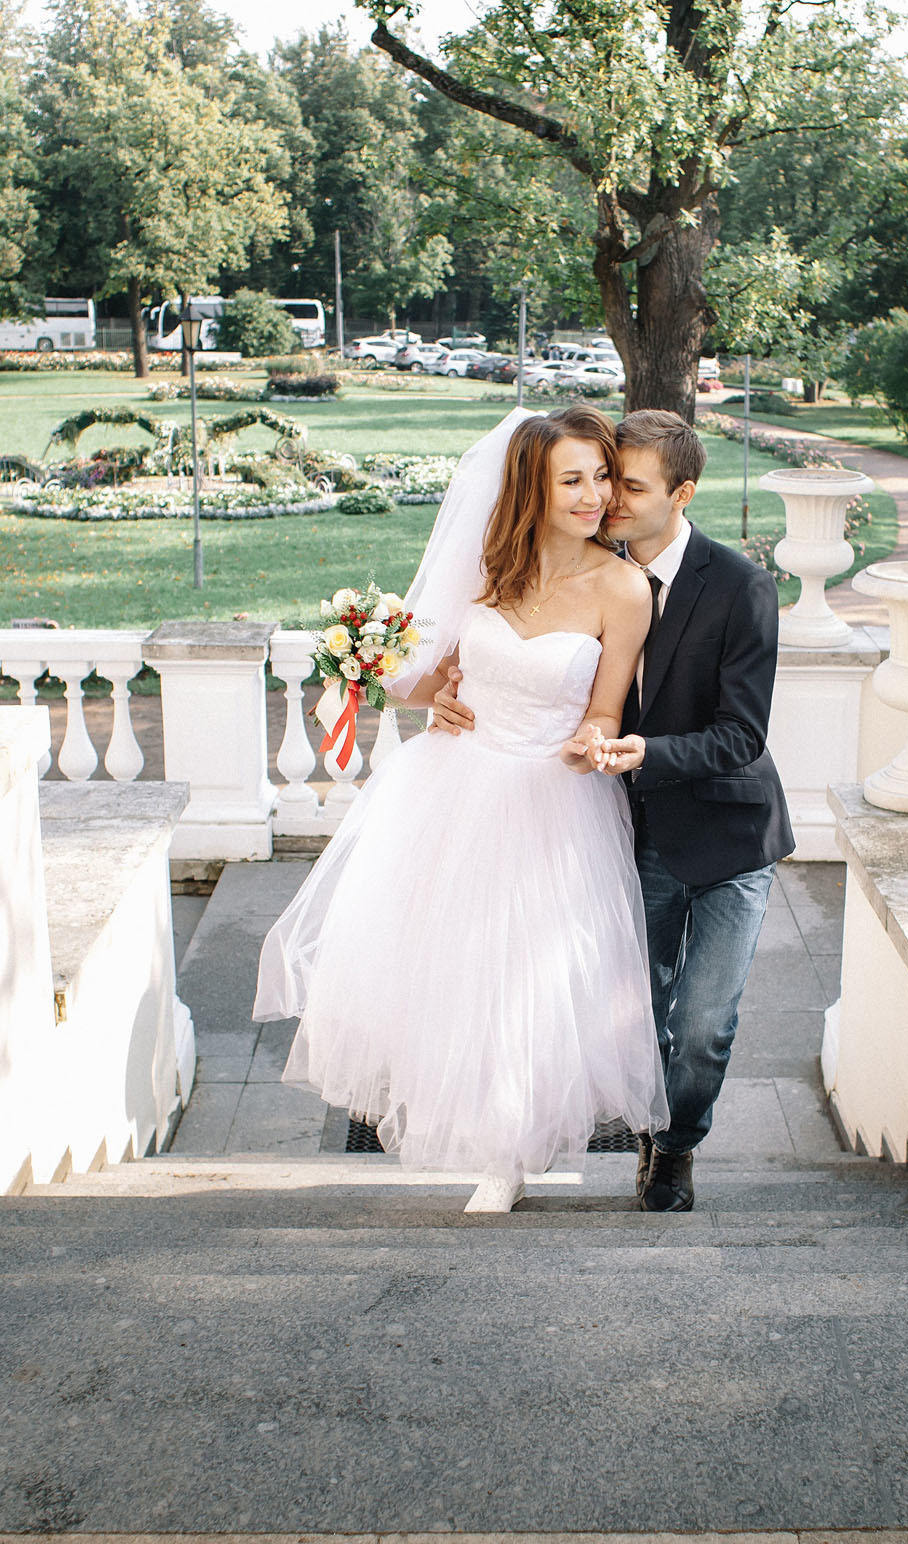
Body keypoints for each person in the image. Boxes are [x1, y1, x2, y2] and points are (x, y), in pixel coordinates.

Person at [253, 406, 663, 1212]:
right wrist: (429, 695)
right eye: (571, 480)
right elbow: (418, 678)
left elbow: (607, 710)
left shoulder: (622, 587)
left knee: (527, 983)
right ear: (529, 490)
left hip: (553, 799)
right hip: (453, 787)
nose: (593, 496)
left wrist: (592, 741)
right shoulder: (486, 570)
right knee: (449, 972)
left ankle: (507, 1155)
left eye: (601, 478)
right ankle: (471, 1127)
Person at [432, 410, 792, 1212]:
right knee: (631, 1013)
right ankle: (610, 1129)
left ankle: (673, 1147)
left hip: (728, 831)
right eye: (597, 479)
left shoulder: (741, 587)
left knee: (702, 1026)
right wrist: (453, 698)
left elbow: (741, 733)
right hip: (632, 830)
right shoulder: (582, 565)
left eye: (625, 485)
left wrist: (639, 751)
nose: (607, 500)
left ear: (681, 493)